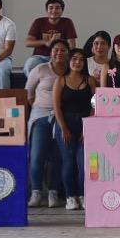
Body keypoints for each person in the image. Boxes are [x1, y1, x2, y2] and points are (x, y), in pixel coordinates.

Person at [27, 36, 68, 208]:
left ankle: (53, 193)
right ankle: (36, 192)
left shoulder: (70, 70)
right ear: (50, 52)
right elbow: (28, 94)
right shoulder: (40, 69)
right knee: (37, 156)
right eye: (55, 50)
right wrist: (40, 107)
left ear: (68, 53)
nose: (59, 53)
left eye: (63, 50)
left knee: (58, 158)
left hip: (62, 119)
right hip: (40, 117)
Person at [53, 47, 95, 212]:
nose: (78, 62)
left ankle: (84, 195)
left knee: (85, 163)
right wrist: (63, 127)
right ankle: (70, 197)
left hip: (86, 124)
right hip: (66, 124)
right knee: (68, 162)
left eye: (81, 60)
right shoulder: (61, 80)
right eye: (74, 59)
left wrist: (89, 128)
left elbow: (94, 105)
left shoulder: (90, 80)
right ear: (69, 61)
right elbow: (56, 106)